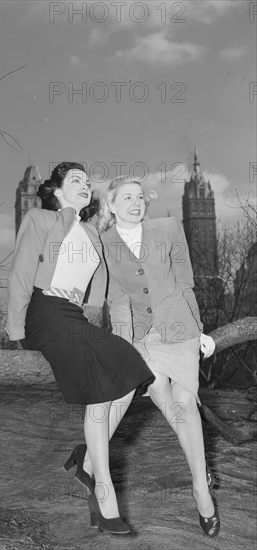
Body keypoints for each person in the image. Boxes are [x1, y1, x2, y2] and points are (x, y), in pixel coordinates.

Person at [7, 162, 154, 535]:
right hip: (44, 313)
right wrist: (15, 331)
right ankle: (105, 498)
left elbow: (101, 287)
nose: (85, 185)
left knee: (132, 368)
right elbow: (22, 273)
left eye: (88, 182)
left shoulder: (91, 231)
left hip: (75, 318)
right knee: (100, 393)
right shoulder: (39, 220)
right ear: (56, 190)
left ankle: (87, 457)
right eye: (76, 181)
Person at [97, 175, 220, 538]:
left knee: (183, 398)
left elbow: (184, 281)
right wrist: (124, 346)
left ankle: (200, 486)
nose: (136, 203)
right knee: (159, 392)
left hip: (178, 325)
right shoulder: (104, 244)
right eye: (127, 198)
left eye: (140, 197)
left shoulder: (167, 227)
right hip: (141, 333)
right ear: (113, 205)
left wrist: (198, 331)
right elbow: (116, 300)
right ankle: (201, 467)